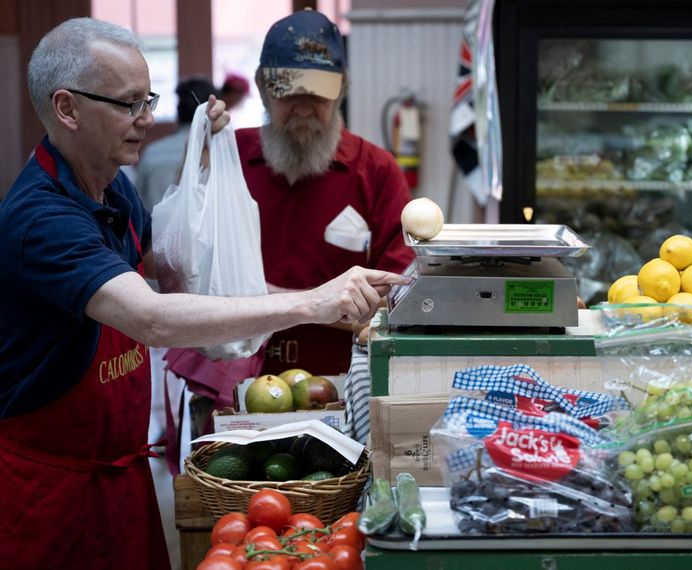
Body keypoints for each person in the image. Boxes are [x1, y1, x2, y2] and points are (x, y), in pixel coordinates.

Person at [0, 17, 408, 570]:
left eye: (148, 99)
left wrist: (203, 163)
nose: (147, 119)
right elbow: (152, 318)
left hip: (118, 468)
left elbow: (177, 269)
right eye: (128, 104)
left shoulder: (112, 186)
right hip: (50, 489)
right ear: (67, 109)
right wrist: (312, 302)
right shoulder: (41, 219)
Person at [238, 9, 415, 376]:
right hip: (230, 384)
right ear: (261, 87)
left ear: (342, 91)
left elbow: (402, 297)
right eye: (288, 93)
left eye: (318, 95)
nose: (303, 109)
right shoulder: (229, 161)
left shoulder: (377, 172)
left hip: (341, 389)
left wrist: (271, 299)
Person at [135, 76, 218, 210]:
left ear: (179, 109)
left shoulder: (152, 152)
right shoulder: (222, 153)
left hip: (155, 229)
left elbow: (137, 201)